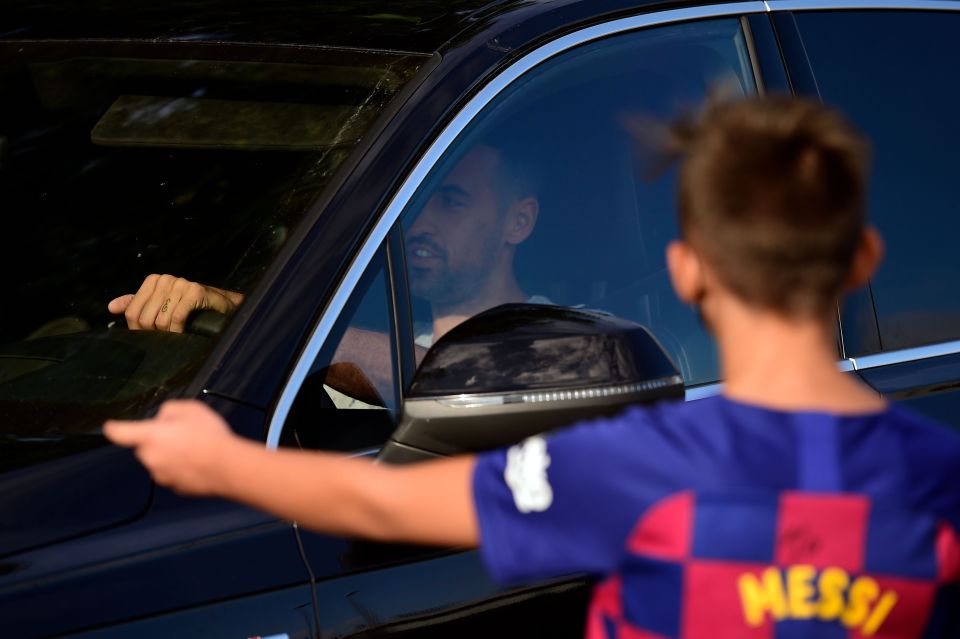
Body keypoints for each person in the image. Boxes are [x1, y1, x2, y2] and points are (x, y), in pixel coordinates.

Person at [105, 96, 960, 637]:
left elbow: (379, 499)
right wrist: (231, 312)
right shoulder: (939, 473)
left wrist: (220, 461)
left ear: (687, 269)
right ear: (864, 256)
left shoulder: (632, 458)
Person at [107, 141, 543, 403]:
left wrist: (241, 315)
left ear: (518, 222)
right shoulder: (376, 334)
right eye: (418, 202)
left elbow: (453, 378)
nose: (420, 223)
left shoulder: (575, 340)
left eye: (451, 201)